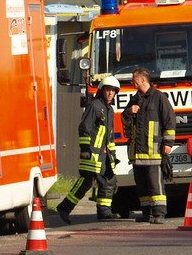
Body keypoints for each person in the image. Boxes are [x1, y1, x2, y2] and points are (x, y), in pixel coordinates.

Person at [56, 76, 122, 224]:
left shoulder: (109, 109)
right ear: (102, 90)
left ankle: (102, 211)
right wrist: (85, 148)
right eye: (108, 90)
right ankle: (65, 208)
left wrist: (112, 154)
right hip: (92, 153)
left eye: (113, 91)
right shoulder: (95, 106)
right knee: (90, 181)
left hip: (104, 155)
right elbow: (84, 128)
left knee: (106, 181)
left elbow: (109, 135)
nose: (110, 93)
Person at [121, 67, 175, 224]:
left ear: (143, 80)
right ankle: (147, 213)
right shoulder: (135, 99)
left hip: (154, 150)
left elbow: (169, 120)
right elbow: (125, 120)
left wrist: (168, 143)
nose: (132, 81)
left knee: (155, 183)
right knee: (142, 185)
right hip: (137, 153)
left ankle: (159, 213)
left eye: (134, 79)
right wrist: (129, 111)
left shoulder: (159, 97)